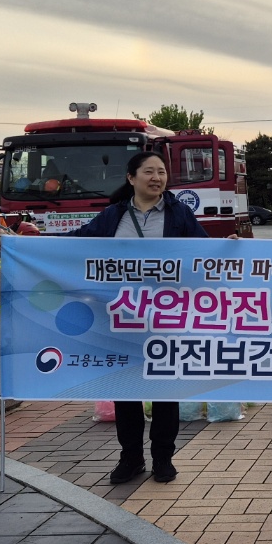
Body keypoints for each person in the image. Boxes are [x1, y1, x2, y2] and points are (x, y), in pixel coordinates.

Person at [72, 151, 208, 485]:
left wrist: (232, 248)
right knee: (125, 389)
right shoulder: (112, 216)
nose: (157, 178)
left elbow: (206, 253)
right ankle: (130, 458)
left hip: (166, 316)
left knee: (164, 388)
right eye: (149, 171)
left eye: (162, 172)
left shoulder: (180, 214)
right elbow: (73, 246)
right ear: (131, 177)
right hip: (120, 317)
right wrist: (24, 244)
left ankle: (163, 458)